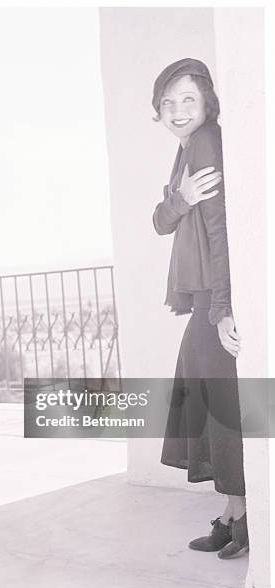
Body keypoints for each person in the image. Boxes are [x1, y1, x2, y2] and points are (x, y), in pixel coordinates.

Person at [152, 58, 248, 559]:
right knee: (211, 404)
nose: (177, 109)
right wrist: (182, 197)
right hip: (208, 295)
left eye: (188, 99)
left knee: (219, 408)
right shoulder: (185, 150)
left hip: (215, 295)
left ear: (207, 101)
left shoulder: (206, 140)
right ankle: (236, 512)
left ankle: (242, 515)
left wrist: (225, 308)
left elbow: (220, 228)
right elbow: (160, 219)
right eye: (168, 102)